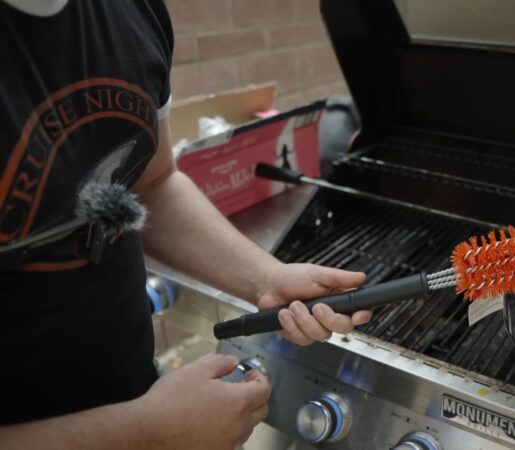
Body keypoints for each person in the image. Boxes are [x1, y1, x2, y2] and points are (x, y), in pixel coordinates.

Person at [0, 1, 372, 448]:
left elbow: (152, 181)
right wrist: (145, 432)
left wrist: (266, 278)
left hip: (139, 390)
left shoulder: (134, 11)